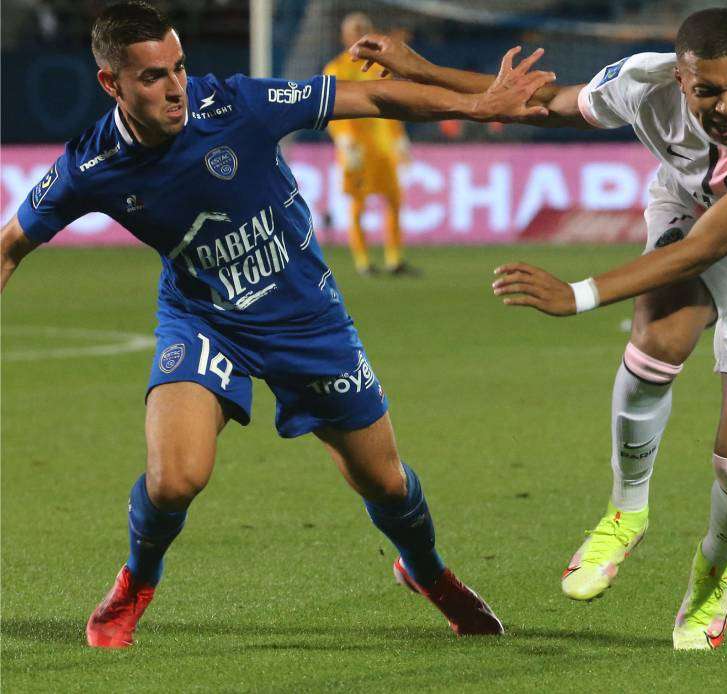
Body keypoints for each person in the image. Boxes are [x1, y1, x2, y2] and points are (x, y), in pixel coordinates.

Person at [0, 1, 551, 649]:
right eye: (151, 77)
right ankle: (136, 580)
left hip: (306, 318)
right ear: (110, 83)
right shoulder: (91, 167)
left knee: (385, 481)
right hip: (205, 321)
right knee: (176, 477)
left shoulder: (237, 105)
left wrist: (481, 105)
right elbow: (10, 244)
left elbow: (371, 97)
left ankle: (426, 571)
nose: (175, 87)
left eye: (179, 67)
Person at [353, 7, 727, 650]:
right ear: (681, 78)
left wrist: (580, 294)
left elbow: (707, 247)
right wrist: (425, 69)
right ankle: (626, 510)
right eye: (707, 91)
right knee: (657, 343)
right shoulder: (644, 83)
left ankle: (715, 564)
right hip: (689, 211)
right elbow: (542, 104)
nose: (726, 105)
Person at [323, 13, 415, 276]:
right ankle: (363, 262)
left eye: (364, 29)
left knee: (395, 200)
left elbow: (393, 106)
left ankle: (395, 259)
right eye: (355, 30)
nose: (359, 34)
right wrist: (343, 139)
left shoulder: (380, 67)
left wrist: (400, 140)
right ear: (345, 37)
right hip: (357, 151)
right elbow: (329, 111)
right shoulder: (336, 69)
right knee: (358, 206)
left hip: (383, 148)